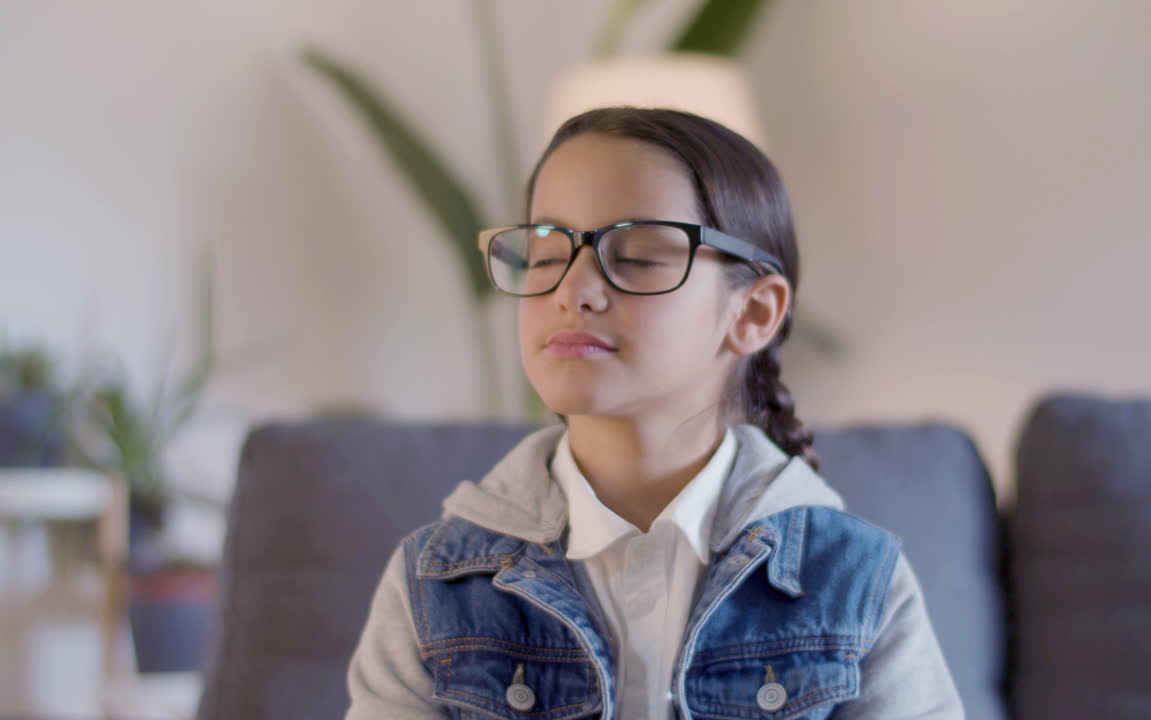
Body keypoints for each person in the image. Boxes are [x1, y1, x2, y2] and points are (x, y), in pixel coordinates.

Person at [345, 106, 964, 719]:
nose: (572, 290)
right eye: (545, 254)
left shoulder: (856, 583)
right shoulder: (435, 586)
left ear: (751, 314)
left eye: (636, 256)